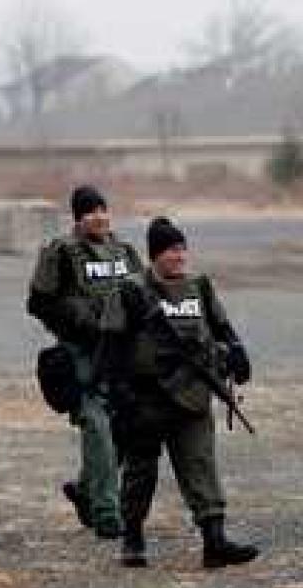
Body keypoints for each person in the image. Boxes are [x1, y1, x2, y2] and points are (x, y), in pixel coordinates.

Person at [104, 217, 258, 569]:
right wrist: (119, 394)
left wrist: (237, 352)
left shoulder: (198, 286)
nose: (179, 256)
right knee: (141, 470)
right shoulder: (130, 291)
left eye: (182, 249)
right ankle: (132, 538)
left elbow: (221, 327)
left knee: (200, 464)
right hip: (146, 396)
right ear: (155, 255)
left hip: (193, 393)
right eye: (171, 250)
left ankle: (214, 541)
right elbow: (110, 347)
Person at [27, 185, 144, 538]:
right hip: (83, 354)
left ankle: (84, 489)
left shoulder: (124, 251)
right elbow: (38, 303)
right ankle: (106, 512)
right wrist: (78, 320)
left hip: (121, 354)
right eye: (90, 212)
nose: (99, 217)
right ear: (78, 218)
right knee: (97, 425)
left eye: (102, 210)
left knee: (124, 428)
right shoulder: (62, 252)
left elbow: (145, 296)